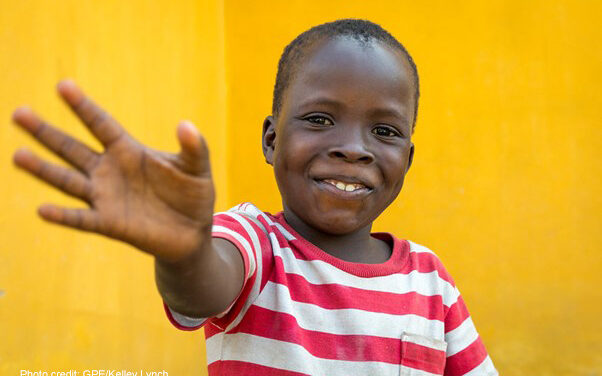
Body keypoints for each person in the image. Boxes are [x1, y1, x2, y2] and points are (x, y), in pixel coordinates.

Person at [12, 19, 498, 376]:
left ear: (407, 161)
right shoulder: (254, 244)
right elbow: (203, 285)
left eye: (384, 130)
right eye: (320, 119)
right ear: (271, 140)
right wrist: (183, 250)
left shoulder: (431, 282)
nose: (353, 148)